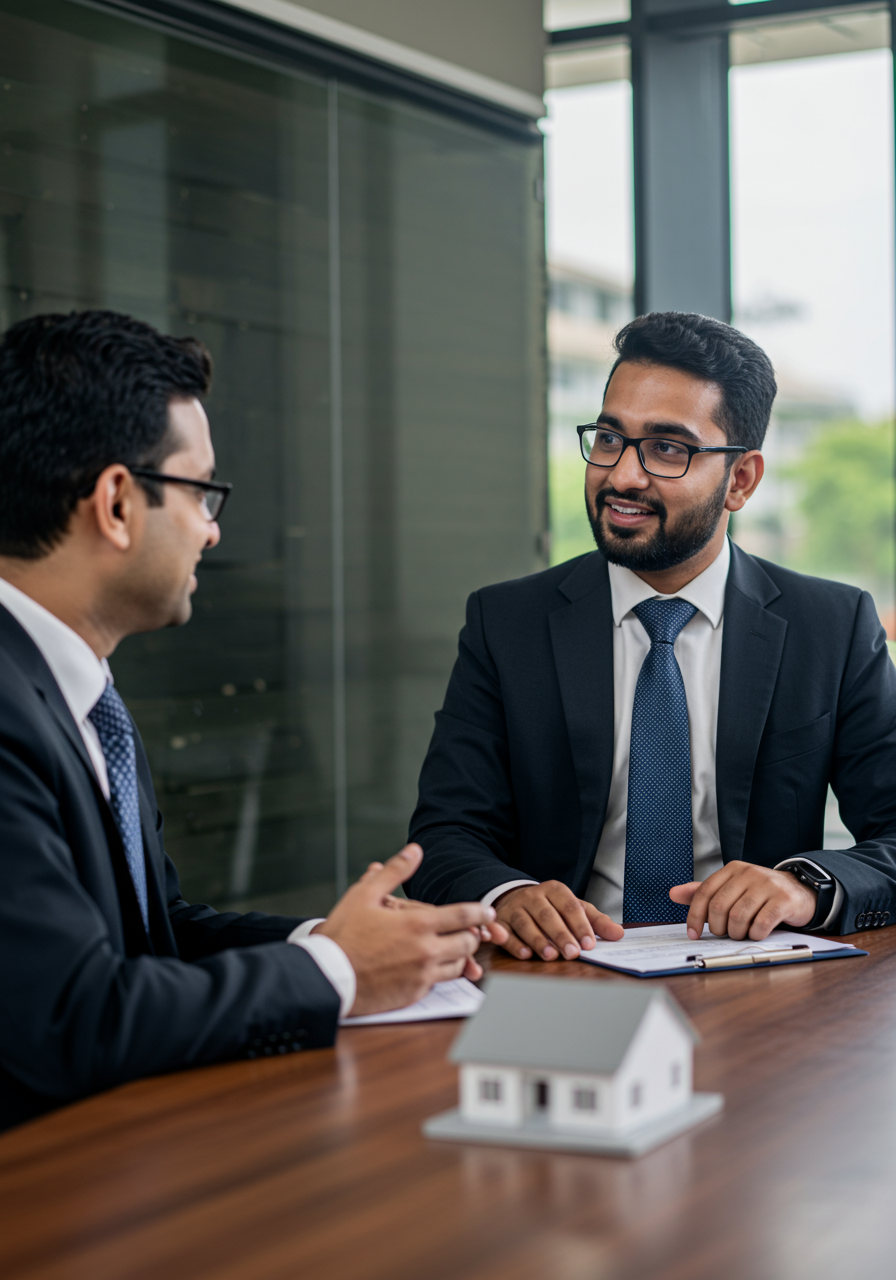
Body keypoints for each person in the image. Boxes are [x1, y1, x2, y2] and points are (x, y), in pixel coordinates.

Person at [0, 310, 505, 1132]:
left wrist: (342, 938)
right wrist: (338, 969)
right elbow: (73, 1018)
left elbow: (154, 938)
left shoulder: (69, 690)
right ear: (118, 504)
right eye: (202, 491)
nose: (213, 527)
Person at [407, 311, 896, 963]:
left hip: (756, 978)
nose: (623, 476)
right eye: (610, 438)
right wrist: (508, 892)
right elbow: (443, 836)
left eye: (668, 448)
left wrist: (802, 887)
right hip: (565, 974)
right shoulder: (507, 624)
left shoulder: (831, 626)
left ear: (741, 480)